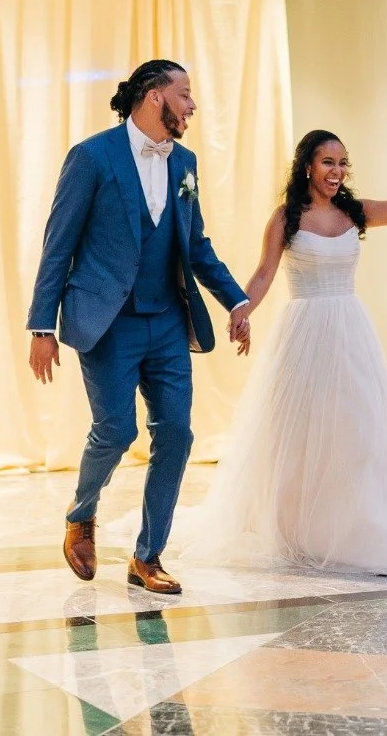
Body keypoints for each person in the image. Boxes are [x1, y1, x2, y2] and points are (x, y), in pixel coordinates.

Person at [190, 124, 387, 576]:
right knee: (300, 434)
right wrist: (241, 310)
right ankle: (300, 528)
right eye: (328, 162)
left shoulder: (355, 212)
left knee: (360, 430)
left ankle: (362, 530)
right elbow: (264, 273)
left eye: (343, 164)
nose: (337, 171)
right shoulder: (286, 217)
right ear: (308, 166)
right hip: (303, 333)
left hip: (350, 331)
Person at [26, 60, 251, 595]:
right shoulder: (91, 157)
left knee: (177, 433)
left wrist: (235, 300)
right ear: (155, 98)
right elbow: (58, 243)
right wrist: (42, 326)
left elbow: (195, 245)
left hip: (169, 320)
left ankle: (147, 556)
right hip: (107, 323)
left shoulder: (185, 163)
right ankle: (81, 514)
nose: (193, 105)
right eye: (186, 94)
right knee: (118, 430)